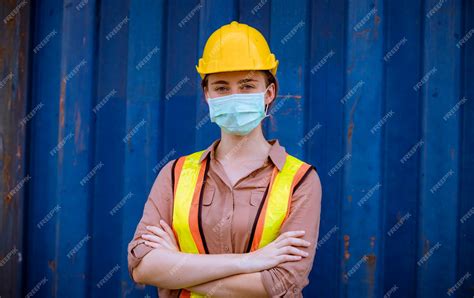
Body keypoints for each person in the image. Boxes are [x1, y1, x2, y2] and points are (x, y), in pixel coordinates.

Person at [127, 21, 322, 297]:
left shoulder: (301, 181)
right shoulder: (175, 174)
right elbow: (142, 266)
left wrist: (175, 271)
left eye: (246, 85)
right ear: (207, 95)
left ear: (269, 93)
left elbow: (281, 283)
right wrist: (249, 262)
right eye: (221, 87)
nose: (234, 97)